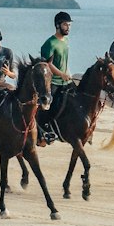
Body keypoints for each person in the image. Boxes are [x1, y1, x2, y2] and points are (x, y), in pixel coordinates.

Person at [39, 10, 73, 142]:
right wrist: (61, 74)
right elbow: (48, 64)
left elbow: (64, 60)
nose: (68, 27)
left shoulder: (66, 40)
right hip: (53, 81)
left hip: (65, 80)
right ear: (58, 25)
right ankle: (43, 132)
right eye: (65, 25)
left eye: (69, 25)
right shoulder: (49, 43)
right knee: (47, 107)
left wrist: (67, 72)